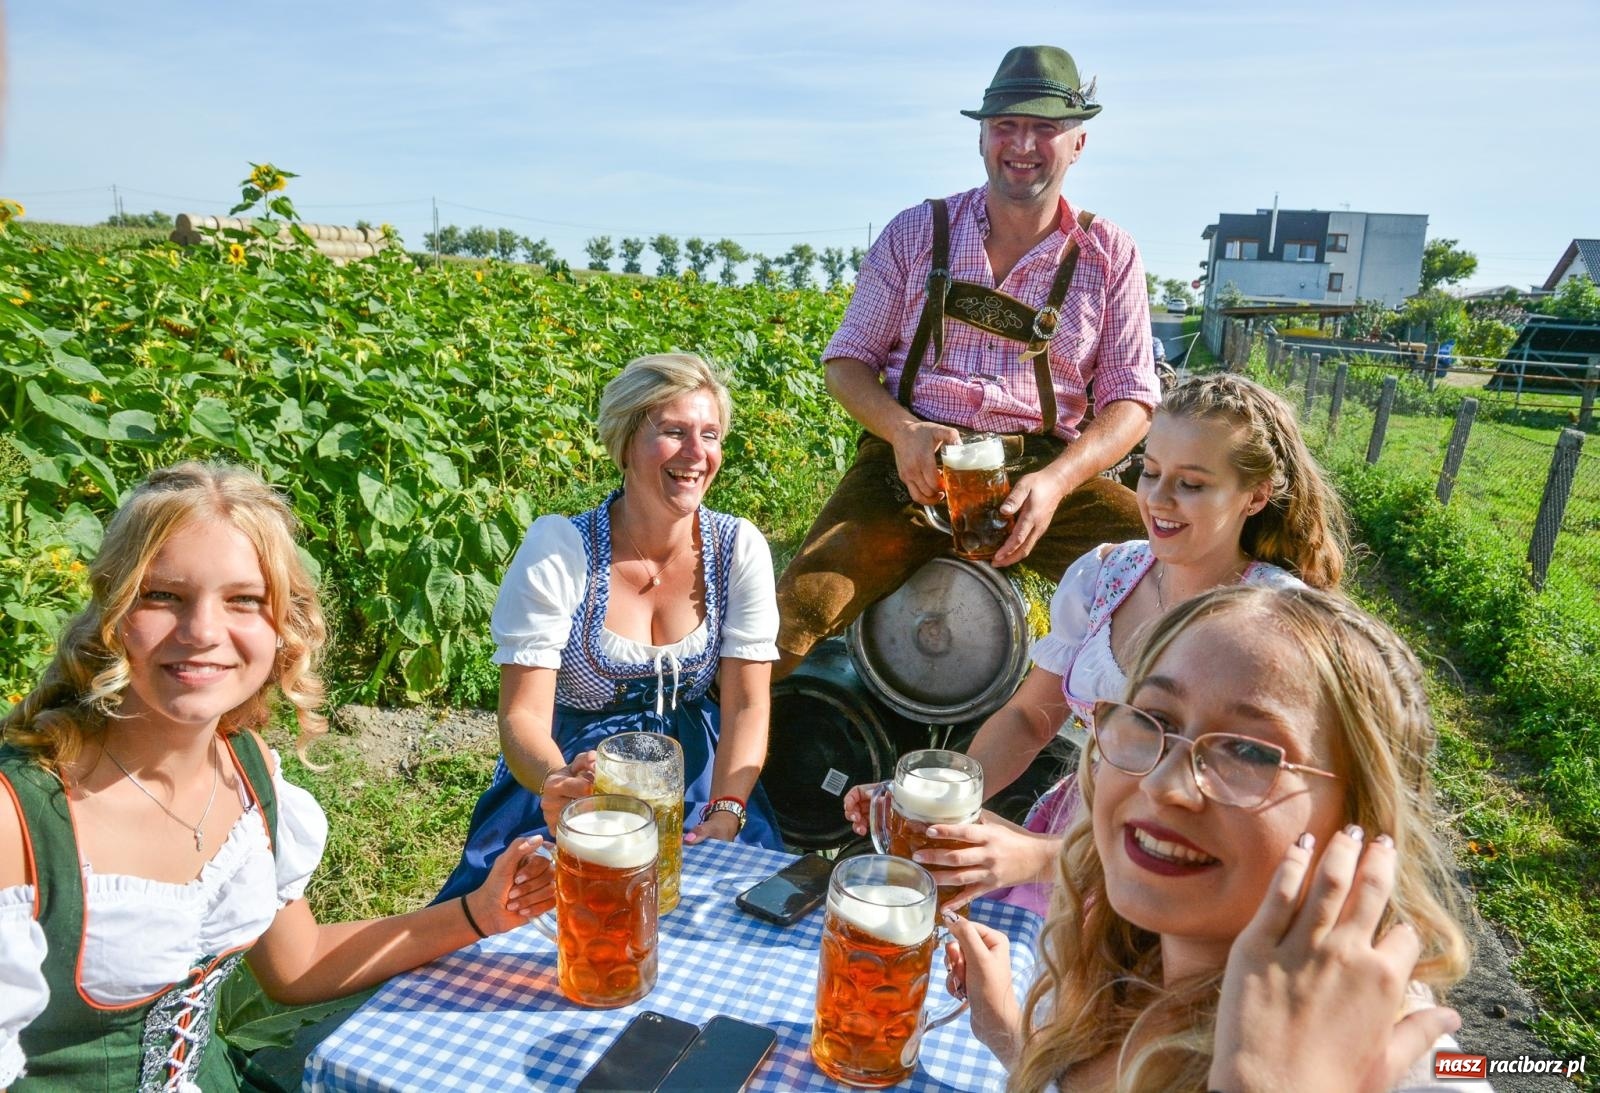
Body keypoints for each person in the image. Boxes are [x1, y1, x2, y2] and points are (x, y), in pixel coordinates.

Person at [0, 463, 553, 1091]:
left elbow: (299, 967)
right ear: (113, 608)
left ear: (282, 626)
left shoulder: (245, 764)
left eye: (243, 600)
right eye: (162, 596)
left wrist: (479, 912)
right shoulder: (17, 818)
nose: (203, 632)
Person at [943, 585, 1487, 1093]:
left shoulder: (1407, 1064)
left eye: (1248, 752)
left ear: (1362, 818)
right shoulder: (1114, 956)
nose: (1163, 784)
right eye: (1154, 716)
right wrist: (1013, 1038)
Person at [845, 373, 1347, 909]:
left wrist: (1039, 857)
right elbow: (1032, 718)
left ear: (1256, 496)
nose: (1158, 499)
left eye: (1192, 484)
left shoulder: (1274, 619)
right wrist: (939, 801)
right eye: (1150, 473)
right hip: (1081, 836)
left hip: (1184, 881)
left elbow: (1237, 818)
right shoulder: (1110, 573)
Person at [772, 44, 1162, 679]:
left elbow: (1133, 400)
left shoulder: (1107, 253)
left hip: (1040, 471)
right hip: (914, 466)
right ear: (982, 137)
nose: (1023, 145)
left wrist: (1058, 482)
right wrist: (902, 432)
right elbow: (846, 361)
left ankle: (1149, 743)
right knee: (797, 613)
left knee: (1172, 586)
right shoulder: (915, 232)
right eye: (1006, 126)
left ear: (1077, 143)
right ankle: (719, 761)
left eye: (1044, 128)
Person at [435, 353, 783, 903]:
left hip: (696, 774)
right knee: (539, 913)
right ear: (624, 443)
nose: (697, 454)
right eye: (673, 432)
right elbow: (522, 713)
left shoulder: (737, 547)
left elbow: (746, 704)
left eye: (710, 434)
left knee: (734, 903)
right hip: (576, 768)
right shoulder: (562, 550)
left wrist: (728, 809)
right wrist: (558, 784)